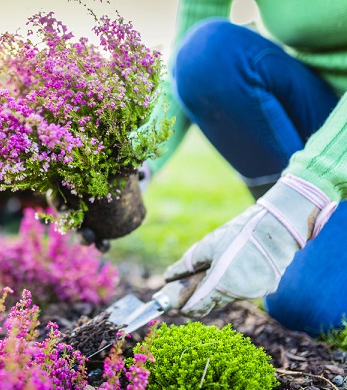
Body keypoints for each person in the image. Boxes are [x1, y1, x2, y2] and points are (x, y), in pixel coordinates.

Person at [144, 1, 347, 336]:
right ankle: (310, 220)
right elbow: (191, 45)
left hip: (330, 154)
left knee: (307, 306)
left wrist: (299, 198)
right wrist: (139, 164)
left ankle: (299, 214)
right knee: (208, 53)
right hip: (323, 112)